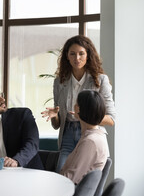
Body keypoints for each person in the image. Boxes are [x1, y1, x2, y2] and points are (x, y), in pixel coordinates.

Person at [41, 35, 115, 172]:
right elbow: (57, 125)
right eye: (72, 54)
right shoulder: (60, 82)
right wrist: (54, 116)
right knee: (62, 175)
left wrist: (85, 116)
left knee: (88, 179)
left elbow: (111, 119)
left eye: (81, 54)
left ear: (88, 56)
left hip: (90, 135)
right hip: (67, 134)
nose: (77, 58)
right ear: (67, 57)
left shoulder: (100, 80)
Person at [60, 90, 109, 184]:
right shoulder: (94, 136)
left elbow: (71, 178)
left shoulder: (90, 141)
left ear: (78, 109)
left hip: (69, 193)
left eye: (76, 103)